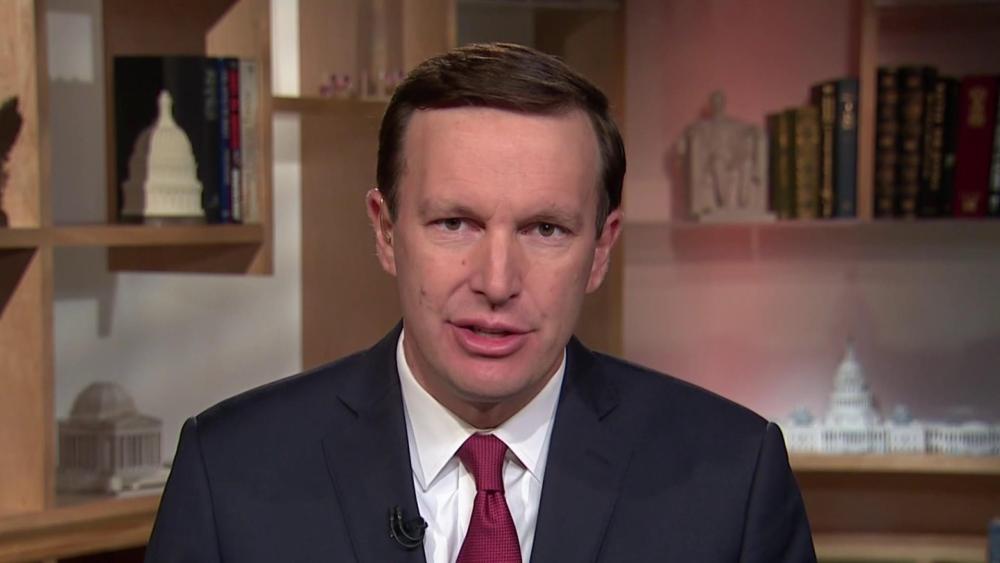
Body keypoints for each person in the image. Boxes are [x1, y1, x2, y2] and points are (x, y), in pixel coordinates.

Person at [145, 43, 816, 563]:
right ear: (386, 231)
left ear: (601, 248)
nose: (497, 281)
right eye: (455, 223)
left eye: (545, 229)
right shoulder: (228, 472)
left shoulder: (733, 478)